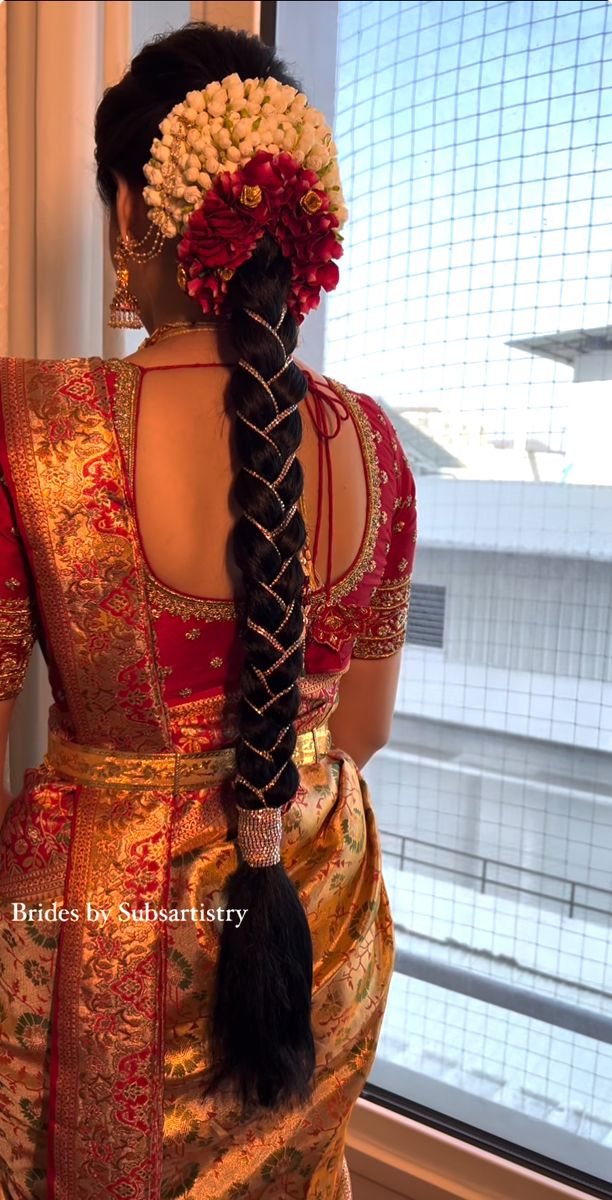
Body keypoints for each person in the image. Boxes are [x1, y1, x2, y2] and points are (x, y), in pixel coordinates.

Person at [0, 21, 417, 1200]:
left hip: (101, 926)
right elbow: (365, 729)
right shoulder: (378, 447)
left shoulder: (38, 424)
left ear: (134, 209)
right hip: (315, 897)